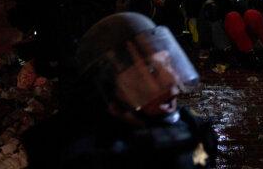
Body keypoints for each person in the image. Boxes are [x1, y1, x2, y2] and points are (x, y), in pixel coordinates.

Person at [23, 12, 217, 168]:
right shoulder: (77, 156)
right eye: (150, 71)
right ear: (106, 91)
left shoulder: (193, 128)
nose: (173, 85)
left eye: (168, 64)